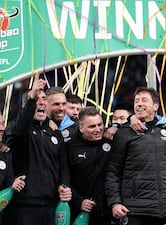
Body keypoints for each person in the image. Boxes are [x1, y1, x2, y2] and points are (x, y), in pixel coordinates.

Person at [3, 73, 71, 225]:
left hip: (50, 205)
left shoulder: (54, 132)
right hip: (23, 206)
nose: (41, 103)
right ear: (26, 106)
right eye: (36, 100)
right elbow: (22, 126)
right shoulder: (17, 128)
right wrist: (31, 98)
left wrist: (64, 185)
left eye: (44, 99)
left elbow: (63, 166)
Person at [105, 87, 166, 225]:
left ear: (155, 106)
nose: (139, 103)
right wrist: (115, 202)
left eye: (144, 100)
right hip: (134, 209)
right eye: (136, 101)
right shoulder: (124, 132)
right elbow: (113, 172)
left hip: (163, 208)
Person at [65, 106, 112, 225]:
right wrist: (78, 201)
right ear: (81, 128)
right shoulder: (69, 147)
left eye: (100, 124)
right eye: (92, 126)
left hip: (107, 213)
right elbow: (63, 179)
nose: (98, 129)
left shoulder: (111, 141)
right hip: (78, 212)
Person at [0, 112, 26, 225]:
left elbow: (6, 184)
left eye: (2, 123)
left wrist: (13, 184)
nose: (2, 128)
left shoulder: (5, 153)